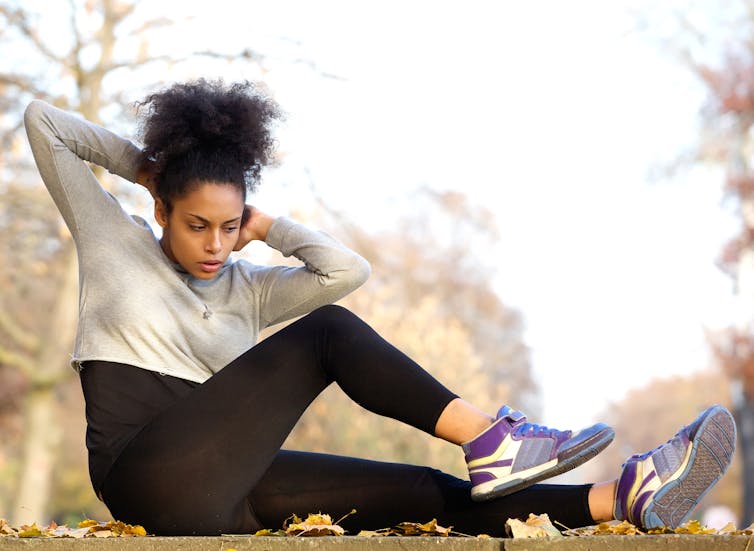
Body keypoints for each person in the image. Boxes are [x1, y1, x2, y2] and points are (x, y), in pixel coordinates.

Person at [23, 79, 737, 537]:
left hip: (216, 486)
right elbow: (43, 123)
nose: (214, 244)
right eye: (195, 224)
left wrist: (264, 225)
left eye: (229, 225)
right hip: (144, 472)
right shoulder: (117, 244)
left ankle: (623, 496)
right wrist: (161, 166)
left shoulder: (249, 287)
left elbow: (344, 270)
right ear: (160, 210)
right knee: (325, 335)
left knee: (421, 490)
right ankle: (491, 436)